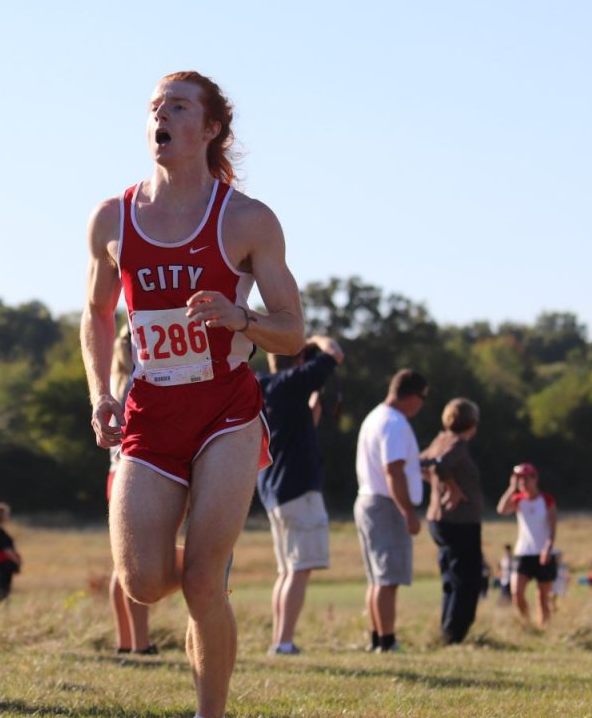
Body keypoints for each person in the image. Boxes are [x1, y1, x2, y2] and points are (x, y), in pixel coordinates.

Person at [80, 71, 304, 718]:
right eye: (155, 107)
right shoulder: (111, 219)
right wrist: (101, 392)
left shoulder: (247, 220)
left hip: (226, 410)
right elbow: (95, 315)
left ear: (209, 129)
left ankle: (211, 706)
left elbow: (292, 335)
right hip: (150, 409)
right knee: (143, 583)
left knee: (205, 579)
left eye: (177, 106)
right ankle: (206, 596)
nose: (161, 116)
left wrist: (244, 321)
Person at [256, 335, 344, 655]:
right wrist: (315, 341)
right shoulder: (292, 383)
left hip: (272, 488)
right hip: (298, 487)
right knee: (300, 567)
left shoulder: (262, 385)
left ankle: (280, 639)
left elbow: (303, 422)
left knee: (286, 569)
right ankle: (284, 642)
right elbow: (335, 354)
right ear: (296, 362)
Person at [354, 369, 428, 652]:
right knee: (388, 578)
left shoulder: (375, 416)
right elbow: (393, 470)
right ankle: (387, 641)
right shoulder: (394, 423)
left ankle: (377, 638)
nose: (421, 405)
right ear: (410, 395)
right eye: (422, 398)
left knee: (377, 579)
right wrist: (408, 511)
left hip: (369, 501)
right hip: (385, 504)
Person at [420, 397, 484, 644]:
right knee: (467, 580)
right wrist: (453, 489)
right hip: (460, 522)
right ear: (472, 422)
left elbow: (422, 463)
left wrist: (439, 485)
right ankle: (454, 635)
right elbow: (440, 466)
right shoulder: (456, 444)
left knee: (451, 578)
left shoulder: (440, 440)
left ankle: (447, 631)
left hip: (439, 520)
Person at [108, 328, 154, 654]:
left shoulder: (114, 384)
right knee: (135, 563)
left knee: (123, 563)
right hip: (131, 471)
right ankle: (140, 643)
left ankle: (126, 642)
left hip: (115, 474)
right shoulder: (131, 385)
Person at [497, 462, 557, 627]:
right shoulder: (518, 500)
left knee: (542, 596)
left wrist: (548, 547)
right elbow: (501, 510)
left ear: (534, 479)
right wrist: (511, 488)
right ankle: (526, 624)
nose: (522, 482)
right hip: (523, 551)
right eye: (518, 479)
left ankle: (544, 626)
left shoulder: (546, 500)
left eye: (525, 478)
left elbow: (552, 527)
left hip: (543, 552)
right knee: (517, 592)